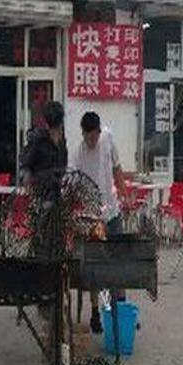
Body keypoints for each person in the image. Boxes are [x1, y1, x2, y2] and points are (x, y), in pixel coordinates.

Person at [73, 111, 124, 333]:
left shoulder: (108, 138)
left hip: (113, 212)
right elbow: (74, 186)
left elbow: (117, 168)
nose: (91, 141)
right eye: (87, 137)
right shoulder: (78, 155)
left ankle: (120, 310)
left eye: (94, 136)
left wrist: (123, 193)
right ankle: (96, 312)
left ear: (99, 131)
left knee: (118, 262)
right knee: (95, 266)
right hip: (93, 218)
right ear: (82, 133)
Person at [19, 100, 68, 188]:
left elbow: (64, 165)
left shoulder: (62, 142)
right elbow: (25, 164)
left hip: (56, 190)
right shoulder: (38, 140)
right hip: (40, 190)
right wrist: (28, 180)